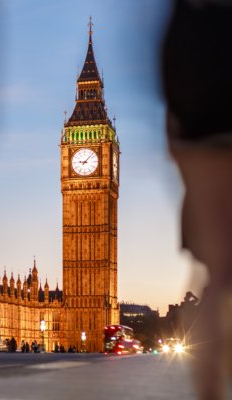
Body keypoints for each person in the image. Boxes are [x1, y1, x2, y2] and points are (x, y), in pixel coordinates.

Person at [162, 1, 232, 399]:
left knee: (219, 272)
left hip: (201, 133)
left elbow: (173, 62)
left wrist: (178, 141)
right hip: (204, 132)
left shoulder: (191, 12)